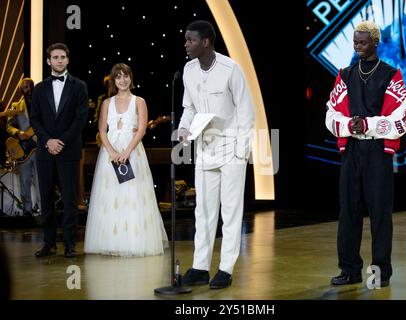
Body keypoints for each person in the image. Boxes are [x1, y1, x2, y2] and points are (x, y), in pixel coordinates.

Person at [325, 21, 406, 287]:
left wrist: (369, 124)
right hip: (352, 149)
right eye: (355, 42)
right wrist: (346, 125)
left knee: (379, 214)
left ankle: (380, 273)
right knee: (348, 211)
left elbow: (405, 115)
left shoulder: (390, 74)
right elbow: (331, 112)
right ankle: (350, 269)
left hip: (377, 151)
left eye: (363, 42)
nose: (357, 46)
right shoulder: (345, 74)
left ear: (375, 42)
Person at [178, 20, 255, 289]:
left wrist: (242, 150)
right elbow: (189, 106)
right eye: (186, 40)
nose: (186, 44)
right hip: (205, 148)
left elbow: (246, 111)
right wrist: (184, 128)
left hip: (231, 146)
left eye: (191, 40)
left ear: (206, 41)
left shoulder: (231, 69)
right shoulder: (188, 71)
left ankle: (225, 267)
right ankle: (200, 266)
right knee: (204, 210)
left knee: (231, 211)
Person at [84, 63, 168, 257]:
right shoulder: (107, 103)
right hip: (110, 154)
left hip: (133, 153)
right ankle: (111, 242)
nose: (123, 80)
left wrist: (127, 151)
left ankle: (134, 242)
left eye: (126, 76)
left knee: (132, 195)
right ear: (114, 80)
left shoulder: (139, 101)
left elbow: (141, 129)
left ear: (131, 78)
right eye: (118, 77)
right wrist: (112, 152)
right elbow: (102, 130)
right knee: (110, 196)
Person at [30, 43, 89, 258]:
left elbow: (81, 118)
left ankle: (69, 244)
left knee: (69, 199)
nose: (59, 60)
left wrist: (60, 141)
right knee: (45, 197)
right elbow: (34, 118)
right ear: (48, 61)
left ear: (68, 60)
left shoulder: (79, 86)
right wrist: (48, 141)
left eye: (63, 57)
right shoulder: (39, 88)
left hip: (69, 150)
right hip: (45, 151)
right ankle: (48, 243)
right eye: (55, 57)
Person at [6, 78, 41, 217]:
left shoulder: (41, 105)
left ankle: (42, 211)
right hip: (23, 149)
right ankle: (27, 211)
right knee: (24, 181)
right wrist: (18, 133)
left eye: (30, 86)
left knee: (41, 182)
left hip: (39, 148)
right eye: (25, 87)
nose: (28, 89)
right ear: (21, 90)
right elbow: (9, 126)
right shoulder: (16, 106)